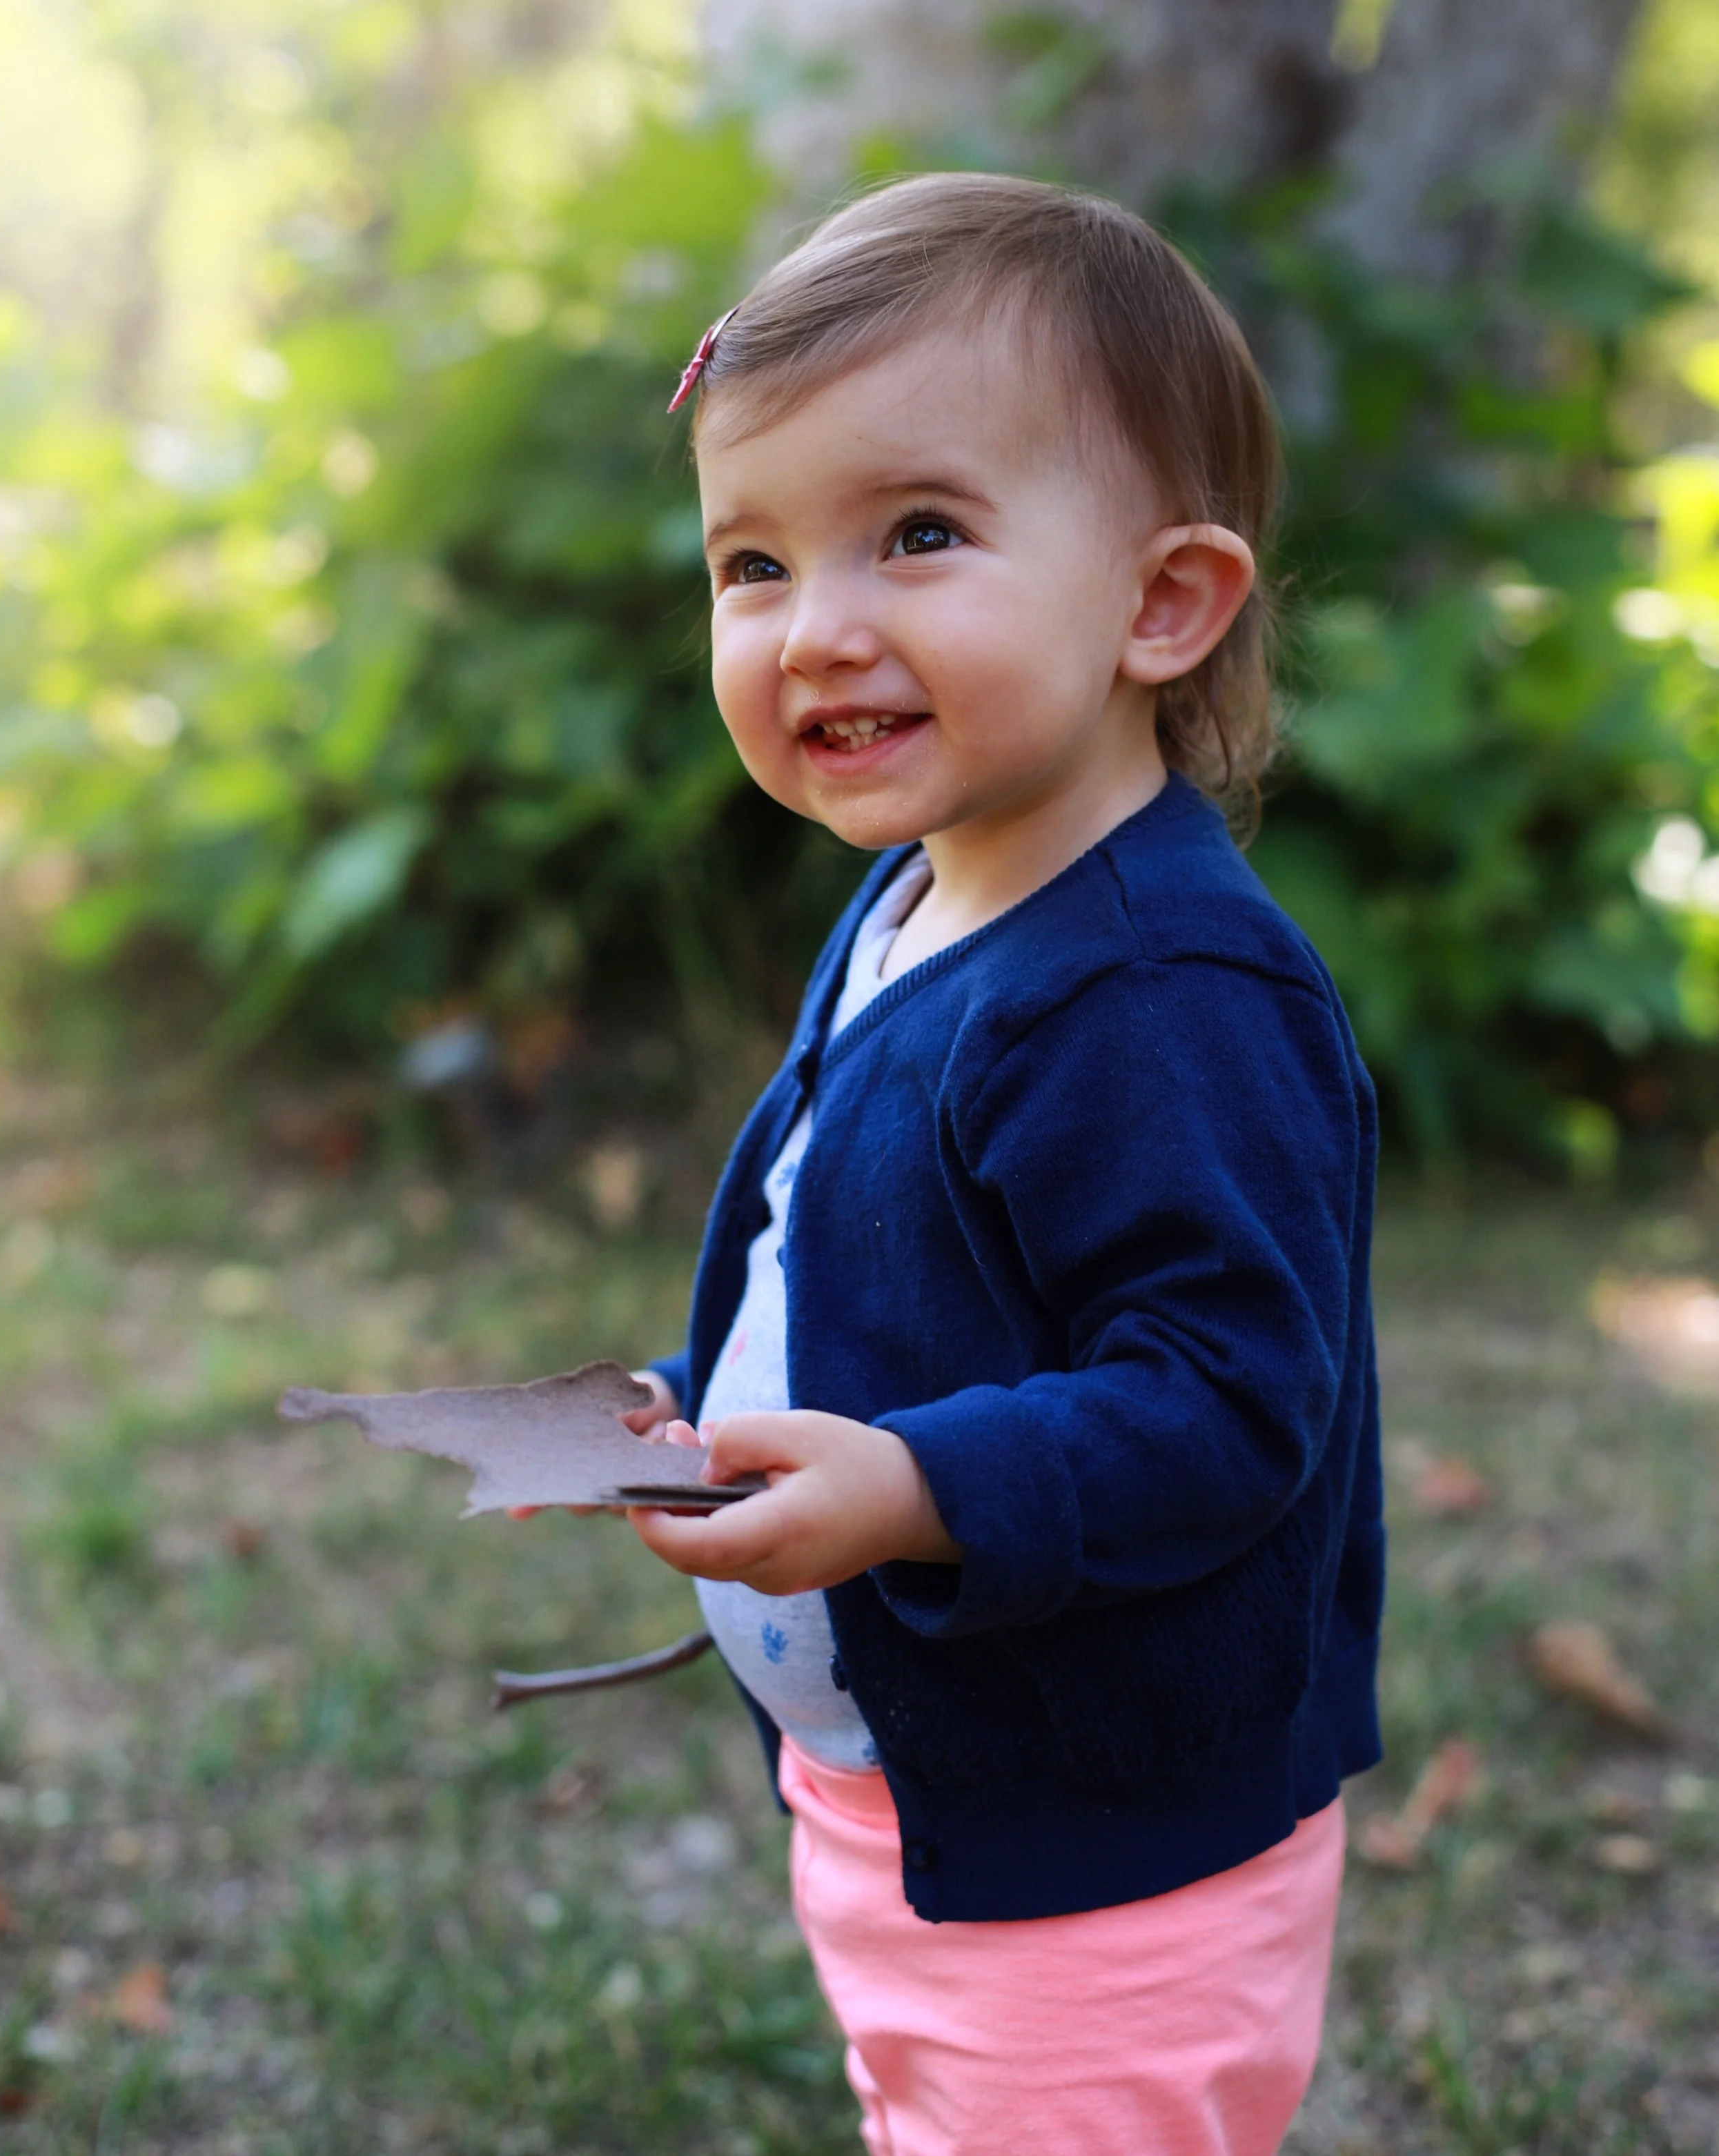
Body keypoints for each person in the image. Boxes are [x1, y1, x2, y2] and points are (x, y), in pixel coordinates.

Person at [610, 172, 1382, 2156]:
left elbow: (1229, 1399)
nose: (817, 629)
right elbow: (878, 1262)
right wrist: (702, 1410)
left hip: (1105, 1865)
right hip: (924, 1799)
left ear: (1161, 603)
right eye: (753, 561)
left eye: (920, 534)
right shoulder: (917, 901)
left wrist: (914, 1485)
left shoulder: (1159, 990)